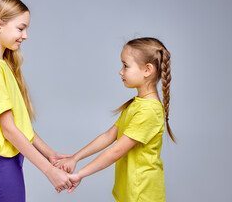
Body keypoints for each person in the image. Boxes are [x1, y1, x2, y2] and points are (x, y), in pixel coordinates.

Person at [0, 0, 72, 202]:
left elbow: (19, 125)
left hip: (9, 157)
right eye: (21, 28)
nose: (25, 35)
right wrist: (48, 171)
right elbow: (9, 130)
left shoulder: (0, 64)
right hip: (1, 159)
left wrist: (49, 153)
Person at [54, 37, 176, 201]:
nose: (120, 71)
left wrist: (80, 175)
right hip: (130, 192)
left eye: (126, 66)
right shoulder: (137, 105)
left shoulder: (149, 111)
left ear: (147, 70)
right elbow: (109, 136)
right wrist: (75, 158)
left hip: (142, 194)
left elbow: (116, 151)